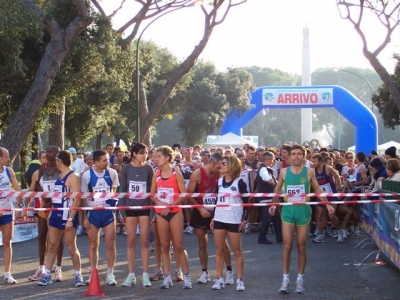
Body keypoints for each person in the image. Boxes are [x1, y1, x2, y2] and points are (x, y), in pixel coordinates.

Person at [269, 145, 334, 294]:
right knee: (287, 245)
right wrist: (273, 205)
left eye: (299, 154)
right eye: (294, 154)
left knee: (301, 246)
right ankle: (285, 280)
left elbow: (317, 189)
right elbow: (277, 189)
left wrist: (328, 204)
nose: (296, 156)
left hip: (303, 212)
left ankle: (300, 279)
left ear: (303, 157)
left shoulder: (309, 171)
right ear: (290, 157)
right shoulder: (284, 172)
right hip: (288, 211)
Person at [38, 150, 85, 286]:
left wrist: (71, 219)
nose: (55, 162)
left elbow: (76, 200)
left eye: (56, 160)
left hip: (68, 215)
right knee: (52, 244)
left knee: (71, 246)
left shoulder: (73, 176)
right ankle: (46, 274)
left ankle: (78, 275)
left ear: (60, 161)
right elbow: (56, 196)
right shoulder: (60, 175)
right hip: (56, 214)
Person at [186, 153, 234, 285]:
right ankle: (204, 272)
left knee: (222, 243)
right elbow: (188, 194)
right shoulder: (197, 174)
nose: (220, 169)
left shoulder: (220, 174)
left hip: (217, 210)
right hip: (200, 210)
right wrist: (200, 209)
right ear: (211, 163)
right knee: (202, 243)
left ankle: (229, 271)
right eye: (218, 167)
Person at [150, 146, 192, 289]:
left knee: (179, 246)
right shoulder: (156, 174)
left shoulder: (176, 174)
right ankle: (167, 277)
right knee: (165, 246)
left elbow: (183, 193)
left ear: (167, 158)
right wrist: (160, 204)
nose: (155, 159)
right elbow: (152, 194)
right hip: (161, 213)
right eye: (155, 157)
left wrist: (170, 205)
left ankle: (186, 276)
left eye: (159, 156)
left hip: (174, 212)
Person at [81, 149, 119, 286]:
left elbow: (114, 190)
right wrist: (85, 216)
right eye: (104, 160)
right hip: (93, 212)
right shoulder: (86, 176)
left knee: (110, 243)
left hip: (108, 212)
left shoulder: (112, 173)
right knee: (93, 244)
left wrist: (112, 199)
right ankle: (93, 274)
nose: (107, 162)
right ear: (96, 162)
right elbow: (84, 198)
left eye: (108, 159)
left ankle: (110, 274)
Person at [26, 146, 64, 282]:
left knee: (58, 239)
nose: (48, 154)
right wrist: (25, 207)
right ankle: (41, 267)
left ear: (57, 154)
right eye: (46, 152)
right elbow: (32, 190)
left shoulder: (62, 170)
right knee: (41, 236)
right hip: (44, 207)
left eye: (50, 152)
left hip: (58, 208)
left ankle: (58, 268)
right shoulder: (40, 171)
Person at [118, 143, 154, 287]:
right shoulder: (126, 168)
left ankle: (145, 275)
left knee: (145, 241)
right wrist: (122, 210)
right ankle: (131, 275)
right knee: (131, 241)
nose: (144, 155)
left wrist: (152, 212)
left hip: (145, 207)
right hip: (130, 208)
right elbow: (123, 189)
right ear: (133, 154)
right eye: (140, 153)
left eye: (145, 153)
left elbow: (151, 190)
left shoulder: (149, 168)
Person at [211, 155, 248, 292]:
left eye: (225, 163)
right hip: (220, 218)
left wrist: (244, 219)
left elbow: (248, 202)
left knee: (237, 250)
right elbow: (216, 200)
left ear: (232, 165)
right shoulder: (219, 181)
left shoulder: (240, 182)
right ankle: (219, 278)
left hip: (234, 219)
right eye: (222, 163)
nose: (222, 165)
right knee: (219, 249)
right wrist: (213, 218)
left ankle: (239, 280)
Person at [0, 147, 23, 284]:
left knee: (8, 242)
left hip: (7, 211)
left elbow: (18, 189)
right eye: (6, 156)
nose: (9, 159)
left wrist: (19, 206)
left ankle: (7, 274)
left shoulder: (9, 171)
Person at [310, 154, 343, 243]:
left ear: (320, 161)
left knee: (331, 215)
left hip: (331, 194)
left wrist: (339, 188)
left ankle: (339, 232)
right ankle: (320, 235)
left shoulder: (328, 168)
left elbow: (337, 176)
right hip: (321, 195)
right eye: (312, 161)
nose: (313, 163)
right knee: (320, 215)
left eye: (315, 161)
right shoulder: (313, 171)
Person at [257, 151, 282, 244]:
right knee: (267, 218)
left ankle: (280, 237)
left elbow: (276, 184)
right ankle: (261, 237)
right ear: (268, 159)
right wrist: (269, 180)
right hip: (266, 198)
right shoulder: (263, 169)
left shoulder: (269, 169)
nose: (273, 162)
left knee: (276, 218)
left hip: (272, 198)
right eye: (272, 160)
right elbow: (265, 177)